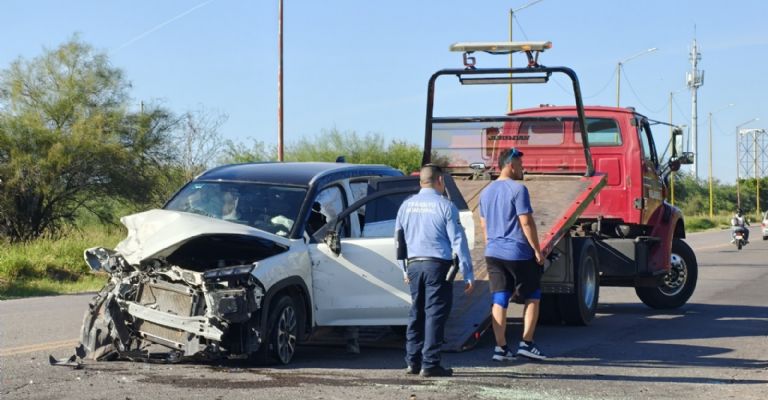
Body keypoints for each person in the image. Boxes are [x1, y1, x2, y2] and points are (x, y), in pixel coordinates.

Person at [395, 164, 474, 378]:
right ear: (440, 180)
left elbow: (399, 242)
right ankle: (430, 364)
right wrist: (468, 272)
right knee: (434, 314)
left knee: (416, 312)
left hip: (413, 265)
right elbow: (458, 241)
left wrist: (404, 269)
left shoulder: (406, 206)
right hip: (437, 266)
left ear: (421, 181)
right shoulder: (446, 206)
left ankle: (412, 361)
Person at [479, 147, 547, 362]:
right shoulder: (518, 190)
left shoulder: (486, 191)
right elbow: (525, 222)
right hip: (517, 252)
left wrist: (492, 243)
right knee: (533, 296)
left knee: (500, 298)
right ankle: (526, 343)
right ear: (510, 164)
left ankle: (501, 349)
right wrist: (537, 250)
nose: (522, 168)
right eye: (520, 164)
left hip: (493, 252)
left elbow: (484, 224)